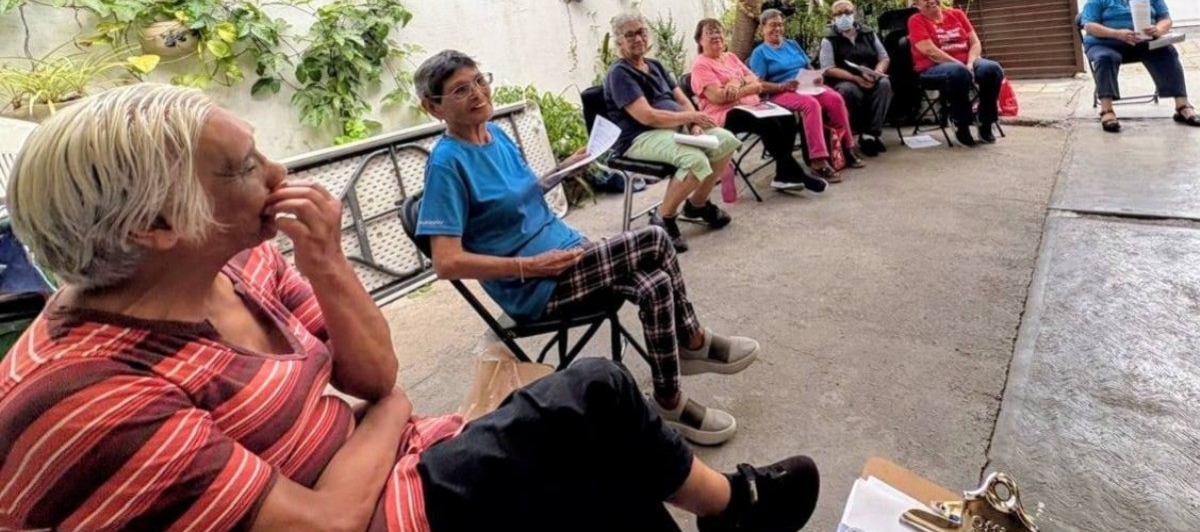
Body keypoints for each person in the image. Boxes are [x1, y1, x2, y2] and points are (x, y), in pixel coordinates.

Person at [0, 83, 821, 532]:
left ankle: (707, 439)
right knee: (596, 389)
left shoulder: (241, 265)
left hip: (385, 465)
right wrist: (386, 410)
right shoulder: (86, 397)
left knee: (616, 472)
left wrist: (324, 260)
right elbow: (336, 492)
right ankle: (722, 473)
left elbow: (378, 374)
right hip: (389, 481)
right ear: (156, 225)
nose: (279, 170)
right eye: (243, 165)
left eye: (483, 88)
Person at [416, 49, 761, 445]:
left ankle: (669, 400)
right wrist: (531, 267)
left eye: (479, 80)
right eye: (460, 89)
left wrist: (567, 166)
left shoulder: (496, 135)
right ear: (433, 108)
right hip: (535, 285)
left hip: (570, 254)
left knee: (654, 285)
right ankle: (694, 341)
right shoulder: (446, 164)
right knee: (653, 238)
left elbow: (520, 194)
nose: (478, 93)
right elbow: (446, 262)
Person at [604, 11, 740, 253]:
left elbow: (682, 98)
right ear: (619, 41)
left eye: (642, 32)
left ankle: (697, 205)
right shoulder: (620, 73)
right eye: (630, 34)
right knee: (694, 158)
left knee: (725, 141)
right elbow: (647, 116)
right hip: (639, 137)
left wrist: (694, 124)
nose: (638, 38)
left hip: (675, 129)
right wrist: (690, 117)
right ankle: (663, 218)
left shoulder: (654, 65)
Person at [690, 19, 830, 190]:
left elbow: (755, 80)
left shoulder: (730, 57)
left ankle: (783, 174)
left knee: (786, 117)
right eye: (710, 33)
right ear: (699, 40)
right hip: (725, 114)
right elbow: (720, 97)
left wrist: (736, 82)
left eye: (719, 32)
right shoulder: (700, 65)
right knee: (768, 124)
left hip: (752, 106)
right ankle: (796, 174)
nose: (716, 36)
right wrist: (749, 88)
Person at [1081, 0, 1200, 132]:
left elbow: (1165, 19)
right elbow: (1089, 26)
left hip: (1143, 42)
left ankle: (1182, 106)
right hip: (1105, 43)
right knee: (1105, 57)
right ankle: (1107, 110)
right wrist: (1117, 34)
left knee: (1167, 51)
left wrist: (1159, 30)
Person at [748, 10, 863, 181]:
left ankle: (847, 148)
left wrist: (817, 76)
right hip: (780, 91)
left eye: (780, 24)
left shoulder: (792, 44)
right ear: (762, 29)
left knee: (835, 99)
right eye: (772, 25)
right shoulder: (760, 53)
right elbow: (759, 85)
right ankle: (818, 160)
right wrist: (782, 86)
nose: (777, 29)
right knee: (811, 105)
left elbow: (808, 67)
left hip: (805, 86)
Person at [907, 0, 1003, 147]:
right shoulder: (916, 20)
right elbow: (930, 51)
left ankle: (985, 120)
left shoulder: (957, 14)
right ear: (917, 3)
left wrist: (971, 63)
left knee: (992, 69)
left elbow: (975, 43)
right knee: (958, 72)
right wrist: (961, 65)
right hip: (932, 68)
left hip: (967, 61)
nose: (931, 1)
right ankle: (961, 123)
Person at [819, 0, 894, 156]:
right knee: (849, 90)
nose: (843, 16)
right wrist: (856, 78)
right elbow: (828, 68)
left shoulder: (868, 33)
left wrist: (877, 72)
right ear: (833, 17)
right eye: (838, 14)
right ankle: (860, 132)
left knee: (885, 84)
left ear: (854, 13)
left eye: (847, 12)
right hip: (845, 80)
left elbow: (884, 57)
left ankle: (870, 135)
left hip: (871, 76)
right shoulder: (828, 39)